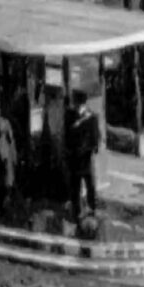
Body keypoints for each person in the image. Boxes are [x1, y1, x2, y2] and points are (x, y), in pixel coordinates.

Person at [66, 89, 101, 222]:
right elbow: (67, 135)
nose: (75, 105)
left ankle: (91, 210)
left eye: (76, 102)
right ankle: (77, 213)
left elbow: (95, 138)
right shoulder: (70, 115)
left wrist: (90, 149)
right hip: (74, 158)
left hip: (86, 158)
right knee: (75, 186)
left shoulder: (91, 117)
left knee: (90, 185)